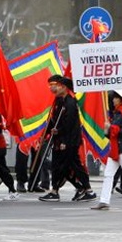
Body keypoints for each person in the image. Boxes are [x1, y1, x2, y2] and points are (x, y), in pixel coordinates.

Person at [38, 75, 97, 203]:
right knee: (65, 166)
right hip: (60, 140)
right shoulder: (59, 101)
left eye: (55, 85)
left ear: (63, 87)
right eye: (50, 85)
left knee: (67, 166)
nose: (52, 88)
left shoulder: (70, 102)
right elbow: (53, 121)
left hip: (68, 141)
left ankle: (58, 191)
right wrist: (47, 134)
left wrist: (60, 135)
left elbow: (69, 124)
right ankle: (83, 189)